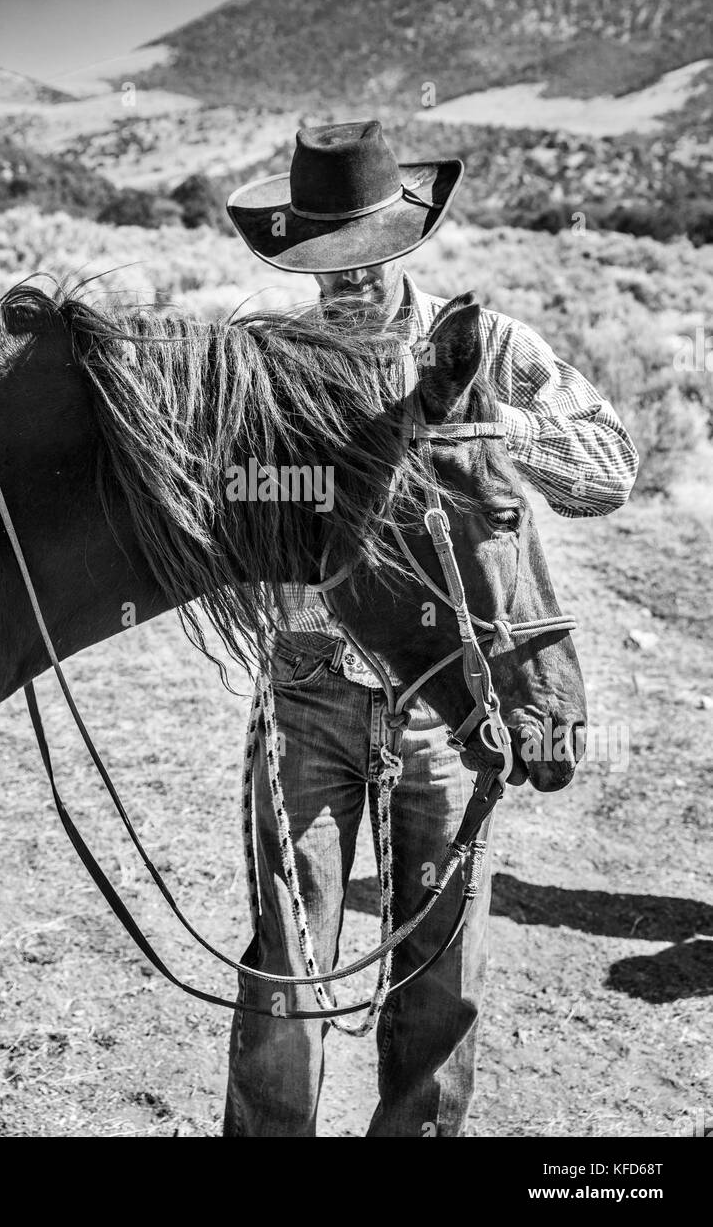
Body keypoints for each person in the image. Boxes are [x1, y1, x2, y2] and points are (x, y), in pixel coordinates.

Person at [222, 120, 638, 1137]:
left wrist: (513, 433)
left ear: (402, 241)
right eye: (328, 262)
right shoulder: (273, 366)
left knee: (440, 973)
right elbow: (229, 509)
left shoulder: (487, 349)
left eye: (366, 255)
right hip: (308, 692)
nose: (351, 280)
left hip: (447, 714)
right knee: (287, 961)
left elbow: (610, 468)